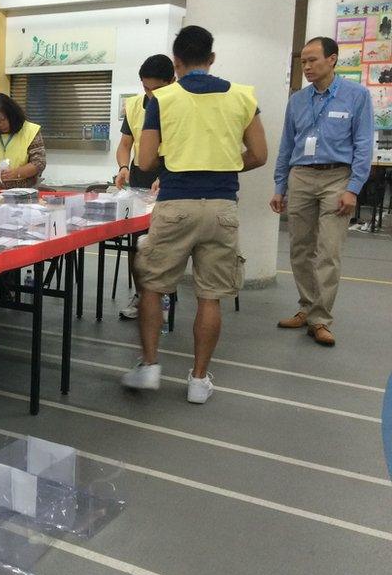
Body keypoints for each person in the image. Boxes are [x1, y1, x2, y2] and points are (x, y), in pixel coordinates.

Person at [121, 25, 268, 404]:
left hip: (176, 203)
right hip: (222, 207)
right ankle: (199, 381)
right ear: (212, 59)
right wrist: (223, 166)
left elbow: (148, 158)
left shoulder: (162, 99)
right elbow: (260, 154)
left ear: (177, 62)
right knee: (210, 295)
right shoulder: (243, 96)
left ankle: (150, 365)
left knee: (152, 285)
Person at [270, 36, 374, 346]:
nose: (307, 66)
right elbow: (287, 146)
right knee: (300, 248)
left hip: (337, 178)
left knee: (328, 250)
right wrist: (280, 186)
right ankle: (306, 307)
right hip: (301, 176)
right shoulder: (298, 100)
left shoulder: (356, 96)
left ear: (332, 60)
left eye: (313, 60)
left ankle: (321, 319)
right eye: (303, 61)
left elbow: (363, 145)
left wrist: (353, 188)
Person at [115, 54, 176, 320]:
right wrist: (123, 167)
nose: (150, 93)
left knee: (161, 243)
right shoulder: (136, 106)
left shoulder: (180, 104)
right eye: (145, 87)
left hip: (170, 178)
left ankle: (161, 300)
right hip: (140, 178)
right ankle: (141, 296)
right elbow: (125, 144)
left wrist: (168, 175)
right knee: (136, 244)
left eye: (156, 88)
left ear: (172, 81)